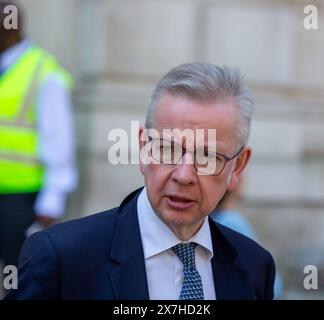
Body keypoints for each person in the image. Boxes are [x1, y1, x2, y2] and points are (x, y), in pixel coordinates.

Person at [6, 62, 275, 300]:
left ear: (238, 166)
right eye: (167, 149)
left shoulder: (255, 267)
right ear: (143, 148)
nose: (183, 175)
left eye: (207, 157)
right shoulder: (61, 258)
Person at [0, 1, 77, 269]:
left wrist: (51, 206)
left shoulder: (44, 73)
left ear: (9, 28)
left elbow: (60, 142)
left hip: (20, 202)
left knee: (18, 279)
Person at [211, 180, 283, 299]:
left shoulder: (220, 218)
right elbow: (260, 272)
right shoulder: (232, 221)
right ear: (233, 184)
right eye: (242, 178)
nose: (246, 182)